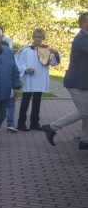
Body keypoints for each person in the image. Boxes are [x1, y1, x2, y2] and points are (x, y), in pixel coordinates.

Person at [43, 13, 88, 150]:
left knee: (86, 111)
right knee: (84, 111)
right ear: (84, 25)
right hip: (76, 82)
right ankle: (51, 127)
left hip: (82, 82)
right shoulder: (81, 39)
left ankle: (85, 141)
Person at [16, 29, 61, 131]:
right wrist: (26, 70)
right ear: (32, 37)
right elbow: (20, 63)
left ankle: (34, 123)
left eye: (39, 37)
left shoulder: (47, 50)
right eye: (35, 37)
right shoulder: (26, 50)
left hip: (40, 78)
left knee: (37, 101)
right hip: (29, 78)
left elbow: (54, 62)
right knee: (25, 101)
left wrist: (56, 54)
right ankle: (21, 123)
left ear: (43, 38)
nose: (37, 39)